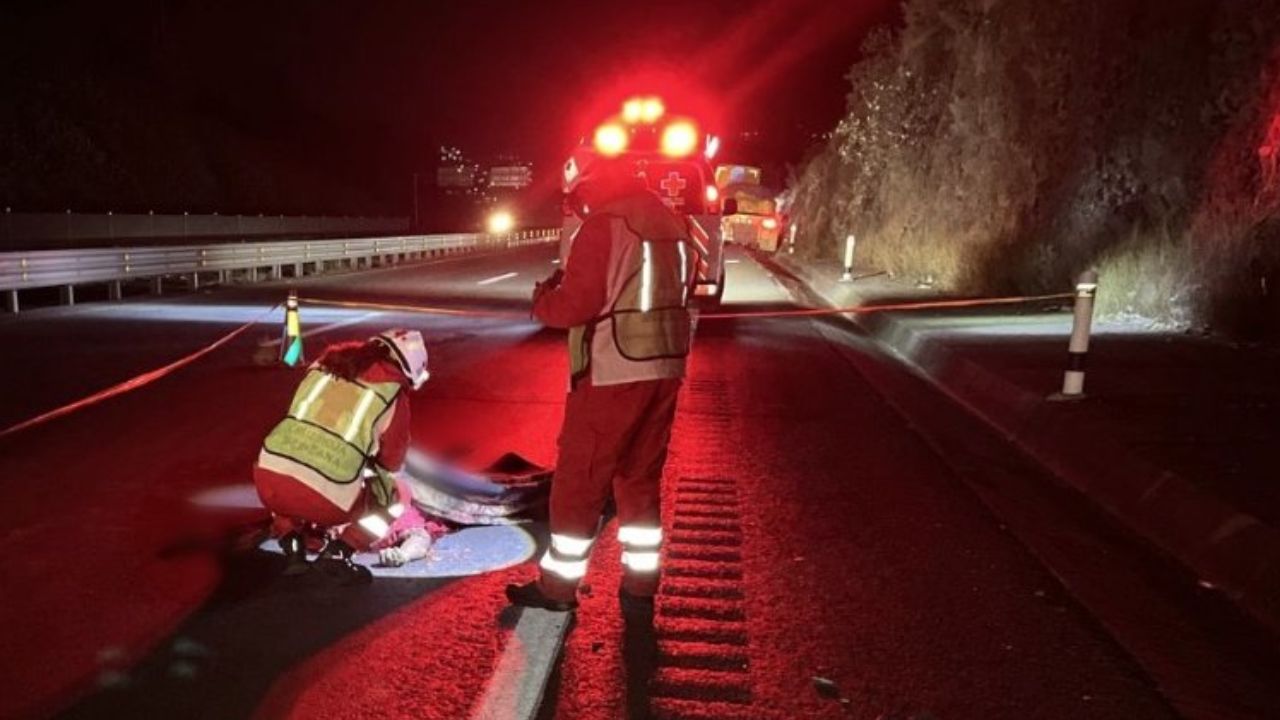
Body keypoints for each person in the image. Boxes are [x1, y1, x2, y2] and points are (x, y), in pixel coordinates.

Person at [505, 152, 699, 612]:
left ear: (596, 186)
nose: (582, 205)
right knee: (638, 479)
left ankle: (557, 589)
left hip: (614, 369)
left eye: (581, 195)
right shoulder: (672, 224)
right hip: (666, 366)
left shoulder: (605, 225)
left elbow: (576, 306)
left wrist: (542, 300)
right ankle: (640, 587)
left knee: (580, 481)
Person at [254, 329, 430, 583]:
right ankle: (339, 553)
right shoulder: (392, 394)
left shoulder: (321, 366)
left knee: (284, 467)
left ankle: (292, 546)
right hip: (327, 501)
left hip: (267, 481)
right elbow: (391, 462)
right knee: (397, 497)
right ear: (409, 371)